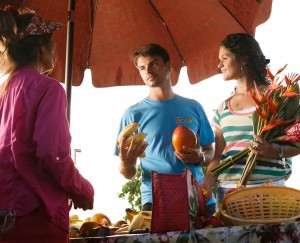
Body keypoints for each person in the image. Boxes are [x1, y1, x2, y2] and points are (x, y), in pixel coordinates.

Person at [0, 6, 94, 242]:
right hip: (37, 216)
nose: (55, 49)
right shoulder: (49, 88)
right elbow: (51, 154)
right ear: (42, 49)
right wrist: (82, 189)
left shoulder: (4, 92)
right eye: (52, 43)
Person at [115, 43, 216, 215]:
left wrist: (200, 157)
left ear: (168, 66)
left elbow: (211, 152)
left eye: (154, 64)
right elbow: (128, 174)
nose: (148, 71)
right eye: (142, 67)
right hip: (156, 202)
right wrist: (126, 162)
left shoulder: (194, 107)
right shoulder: (132, 115)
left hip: (198, 197)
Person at [202, 33, 300, 210]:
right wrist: (206, 184)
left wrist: (274, 151)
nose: (219, 65)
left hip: (270, 191)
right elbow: (218, 156)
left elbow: (296, 145)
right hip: (229, 194)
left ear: (244, 58)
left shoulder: (278, 99)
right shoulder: (222, 108)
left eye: (224, 58)